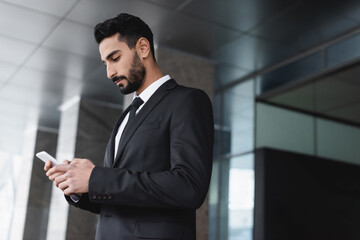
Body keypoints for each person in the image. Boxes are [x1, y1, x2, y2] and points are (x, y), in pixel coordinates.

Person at [45, 13, 214, 240]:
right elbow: (119, 199)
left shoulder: (187, 101)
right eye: (105, 63)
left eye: (115, 58)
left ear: (143, 48)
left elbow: (189, 186)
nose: (109, 73)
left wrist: (96, 178)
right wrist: (77, 186)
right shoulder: (126, 116)